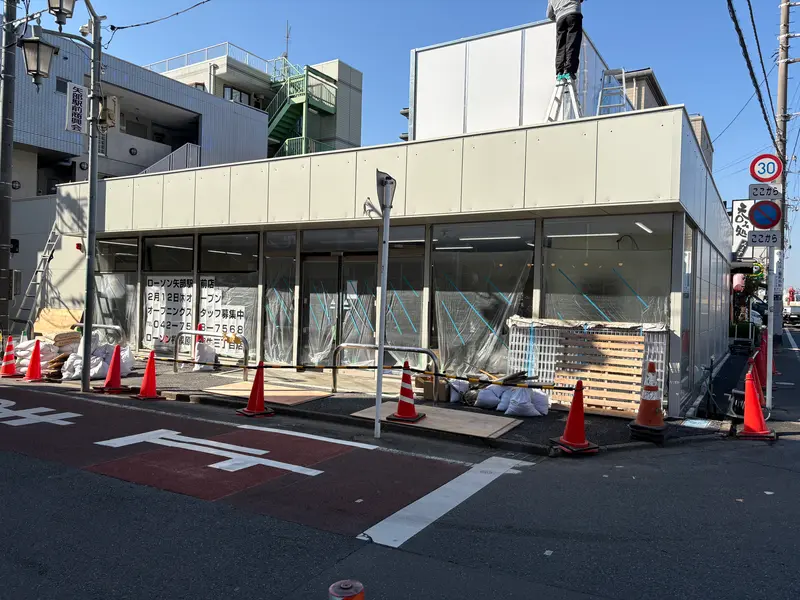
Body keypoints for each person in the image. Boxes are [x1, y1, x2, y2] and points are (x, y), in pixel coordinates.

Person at [547, 0, 584, 83]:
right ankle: (569, 70)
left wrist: (558, 15)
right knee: (572, 42)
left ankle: (559, 71)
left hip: (560, 19)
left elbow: (549, 14)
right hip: (573, 13)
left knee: (561, 45)